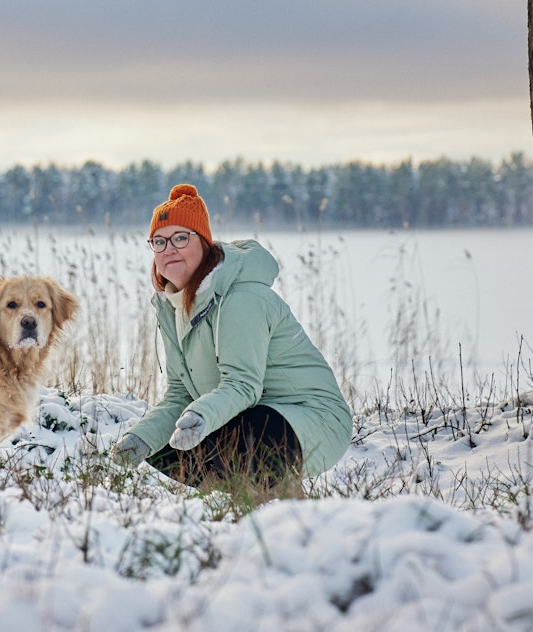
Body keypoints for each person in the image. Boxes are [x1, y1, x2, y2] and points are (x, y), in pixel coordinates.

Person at [110, 184, 352, 491]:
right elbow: (180, 394)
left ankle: (277, 505)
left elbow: (244, 385)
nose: (169, 248)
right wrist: (140, 440)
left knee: (245, 434)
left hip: (311, 417)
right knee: (164, 446)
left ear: (205, 243)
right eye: (159, 241)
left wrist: (200, 416)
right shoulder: (170, 305)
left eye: (180, 237)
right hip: (247, 414)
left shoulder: (242, 296)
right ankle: (232, 502)